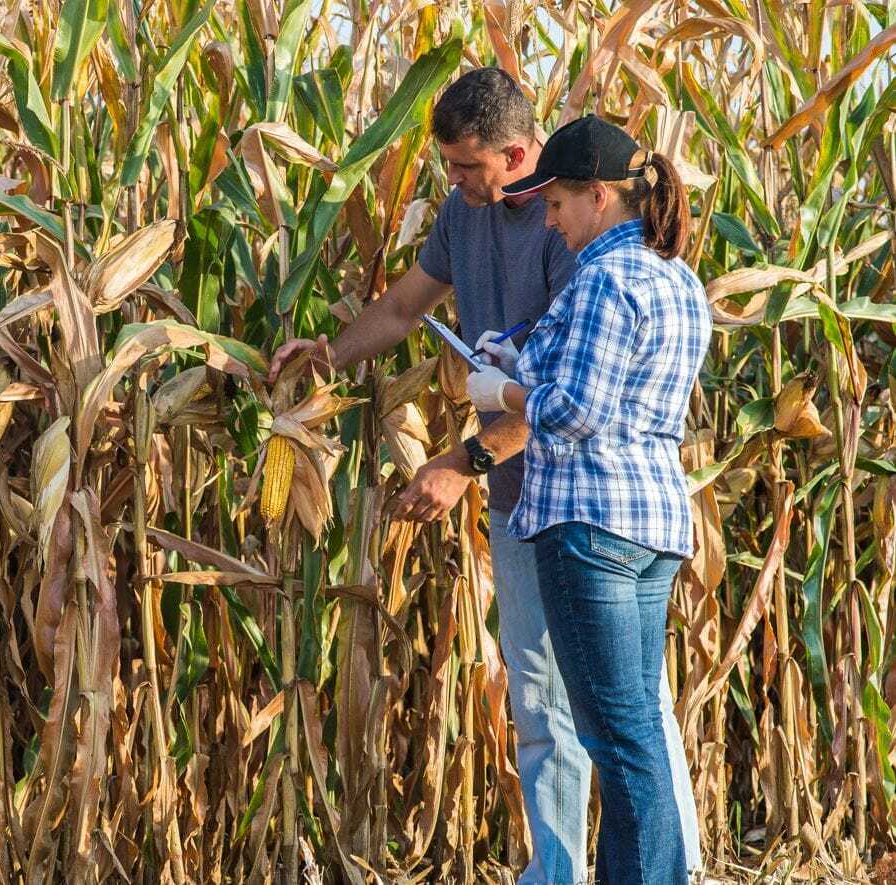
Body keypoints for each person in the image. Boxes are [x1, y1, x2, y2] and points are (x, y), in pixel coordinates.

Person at [268, 70, 701, 883]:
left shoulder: (578, 238)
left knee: (625, 715)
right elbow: (401, 309)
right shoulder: (466, 218)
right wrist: (325, 356)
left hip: (579, 505)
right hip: (529, 503)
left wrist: (465, 457)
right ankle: (559, 870)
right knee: (543, 702)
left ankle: (669, 870)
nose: (456, 184)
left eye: (468, 168)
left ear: (516, 153)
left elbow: (571, 399)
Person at [465, 115, 712, 885]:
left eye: (558, 204)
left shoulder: (603, 279)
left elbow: (577, 411)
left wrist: (497, 388)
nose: (549, 218)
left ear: (597, 196)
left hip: (589, 526)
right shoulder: (673, 277)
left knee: (618, 739)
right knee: (637, 728)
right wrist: (515, 355)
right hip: (653, 526)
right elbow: (607, 383)